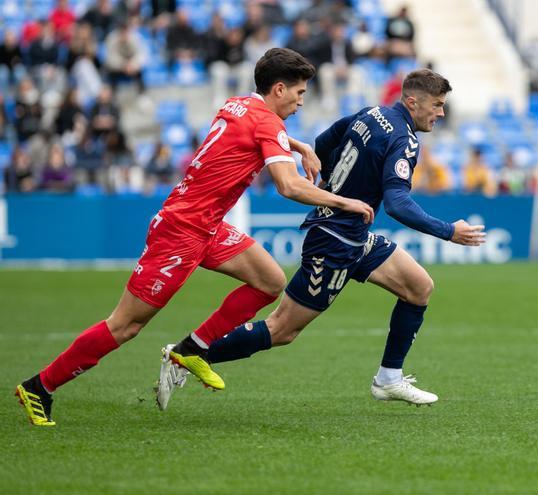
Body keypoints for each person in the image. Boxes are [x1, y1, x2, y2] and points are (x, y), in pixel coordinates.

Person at [14, 48, 375, 426]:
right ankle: (40, 386)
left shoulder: (237, 105)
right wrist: (343, 201)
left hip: (208, 226)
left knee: (269, 280)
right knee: (125, 326)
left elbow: (256, 135)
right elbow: (288, 185)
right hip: (180, 232)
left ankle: (191, 349)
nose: (302, 101)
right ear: (279, 89)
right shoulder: (267, 125)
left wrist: (296, 145)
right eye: (299, 93)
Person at [157, 69, 485, 410]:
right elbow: (398, 204)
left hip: (353, 234)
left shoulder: (372, 113)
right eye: (437, 104)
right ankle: (187, 353)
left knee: (418, 287)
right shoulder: (404, 139)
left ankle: (389, 379)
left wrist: (333, 181)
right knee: (283, 329)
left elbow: (326, 141)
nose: (441, 113)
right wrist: (449, 231)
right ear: (413, 101)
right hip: (333, 242)